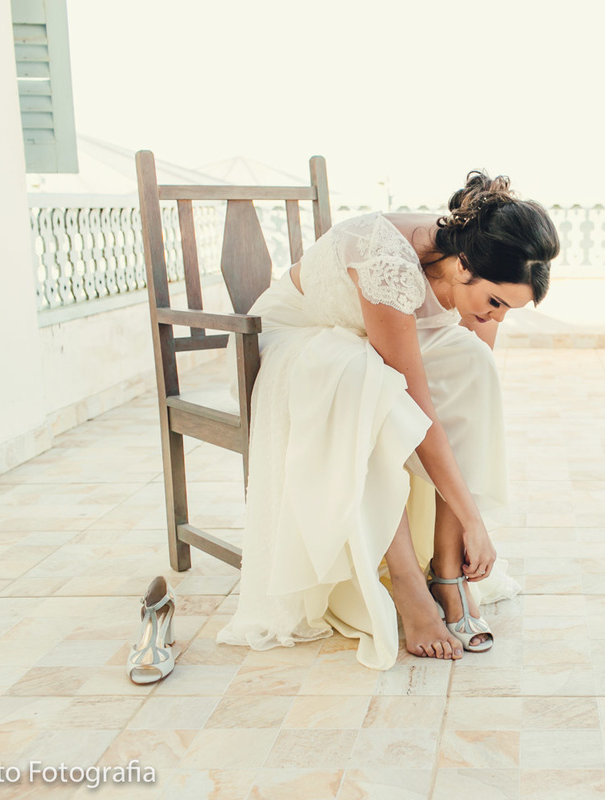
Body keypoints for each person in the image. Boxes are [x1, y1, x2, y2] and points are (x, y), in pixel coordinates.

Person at [216, 171, 558, 669]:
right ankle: (408, 585)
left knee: (474, 366)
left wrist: (463, 529)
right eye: (496, 302)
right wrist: (474, 518)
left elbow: (463, 395)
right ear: (464, 267)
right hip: (286, 341)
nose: (498, 318)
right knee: (366, 379)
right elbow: (418, 412)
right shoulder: (386, 261)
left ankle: (446, 571)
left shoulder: (475, 264)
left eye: (511, 309)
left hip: (359, 343)